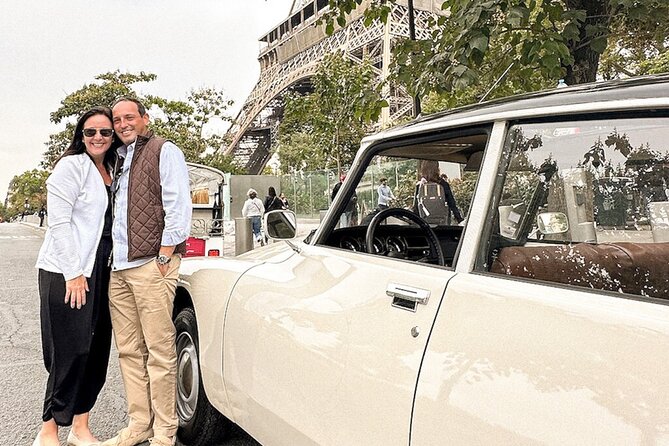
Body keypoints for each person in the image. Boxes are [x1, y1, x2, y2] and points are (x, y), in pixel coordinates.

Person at [103, 98, 192, 446]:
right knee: (128, 351)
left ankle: (164, 431)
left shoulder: (163, 150)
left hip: (150, 265)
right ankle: (139, 424)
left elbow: (177, 204)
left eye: (129, 117)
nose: (123, 124)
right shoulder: (119, 159)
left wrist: (165, 255)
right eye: (117, 119)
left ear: (144, 118)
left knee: (159, 351)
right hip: (120, 268)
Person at [33, 106, 121, 446]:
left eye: (104, 132)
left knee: (96, 350)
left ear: (112, 137)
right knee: (68, 351)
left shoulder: (112, 168)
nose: (97, 137)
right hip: (66, 269)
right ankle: (48, 430)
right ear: (80, 136)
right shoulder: (71, 167)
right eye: (90, 132)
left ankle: (81, 427)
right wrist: (73, 273)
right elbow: (58, 223)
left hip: (103, 268)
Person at [413, 160, 463, 224]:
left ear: (423, 169)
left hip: (425, 224)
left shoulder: (420, 186)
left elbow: (416, 208)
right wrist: (459, 219)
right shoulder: (443, 184)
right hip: (442, 224)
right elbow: (452, 204)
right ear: (437, 168)